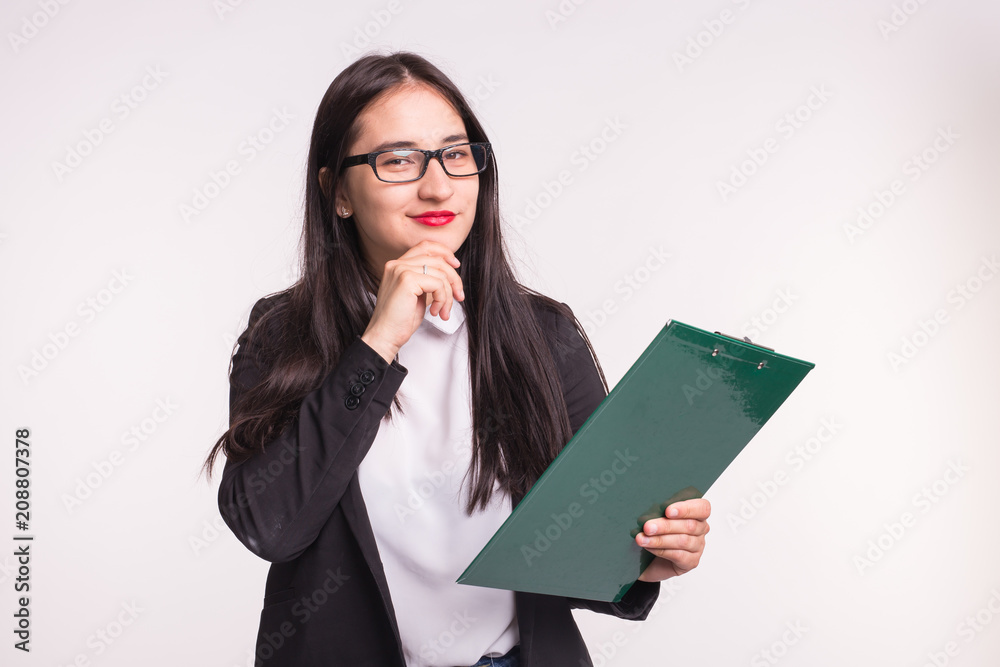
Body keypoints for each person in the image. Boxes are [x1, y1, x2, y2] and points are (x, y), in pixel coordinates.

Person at [201, 50, 711, 667]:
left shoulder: (543, 333)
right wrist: (378, 342)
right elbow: (270, 525)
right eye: (397, 160)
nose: (437, 184)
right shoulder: (281, 333)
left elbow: (590, 543)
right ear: (337, 192)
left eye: (456, 154)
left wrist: (648, 559)